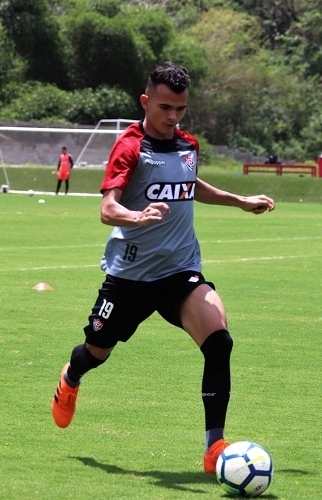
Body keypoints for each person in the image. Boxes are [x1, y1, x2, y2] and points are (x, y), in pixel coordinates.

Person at [50, 62, 276, 475]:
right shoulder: (130, 147)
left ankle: (214, 448)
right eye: (165, 108)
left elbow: (192, 185)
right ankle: (70, 378)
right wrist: (137, 217)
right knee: (96, 354)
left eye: (181, 109)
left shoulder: (187, 144)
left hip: (179, 271)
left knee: (220, 342)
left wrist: (240, 200)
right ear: (146, 102)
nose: (173, 117)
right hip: (130, 277)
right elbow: (107, 208)